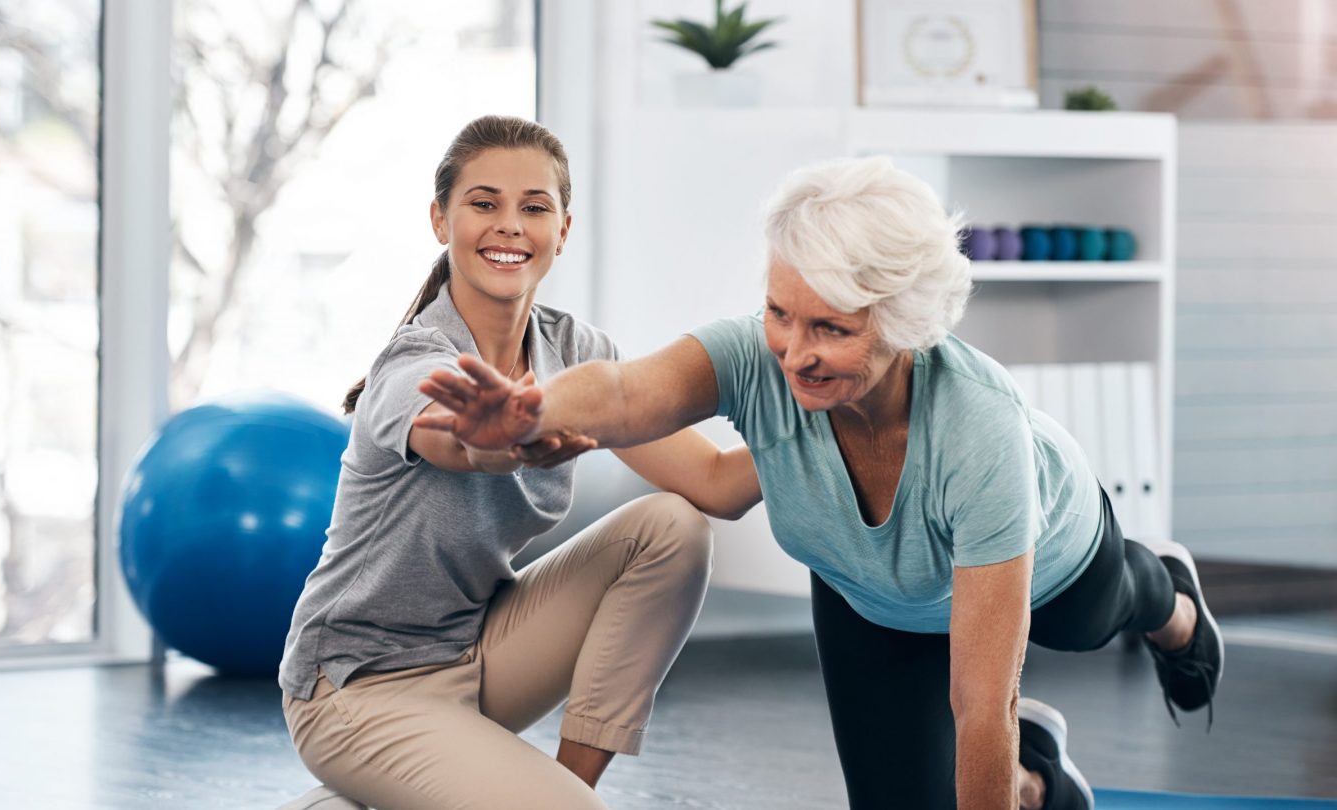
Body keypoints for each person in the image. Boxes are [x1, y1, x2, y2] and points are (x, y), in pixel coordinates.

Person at [416, 156, 1225, 810]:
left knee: (1096, 617)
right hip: (869, 591)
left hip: (1056, 557)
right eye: (780, 312)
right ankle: (1042, 786)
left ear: (907, 323)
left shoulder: (981, 435)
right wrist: (526, 413)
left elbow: (982, 704)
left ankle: (1172, 598)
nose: (793, 352)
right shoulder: (756, 359)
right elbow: (628, 394)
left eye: (831, 328)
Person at [276, 115, 762, 810]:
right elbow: (460, 443)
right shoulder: (413, 362)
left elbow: (716, 484)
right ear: (441, 220)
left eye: (534, 208)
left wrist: (832, 420)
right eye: (484, 203)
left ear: (562, 230)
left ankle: (559, 791)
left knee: (671, 528)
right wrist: (496, 439)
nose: (509, 225)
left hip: (477, 654)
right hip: (356, 686)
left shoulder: (576, 351)